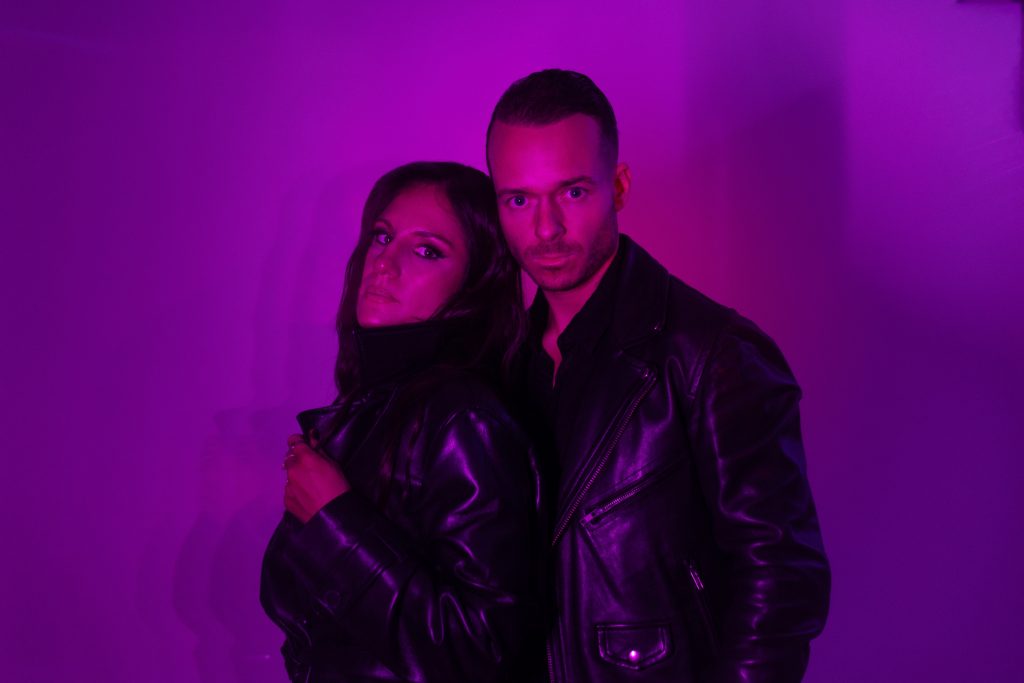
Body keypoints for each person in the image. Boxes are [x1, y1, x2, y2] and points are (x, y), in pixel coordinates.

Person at [487, 69, 830, 682]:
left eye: (572, 193)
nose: (545, 229)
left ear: (618, 186)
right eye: (519, 200)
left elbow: (781, 580)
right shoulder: (500, 360)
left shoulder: (713, 353)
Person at [260, 161, 544, 682]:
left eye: (427, 250)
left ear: (476, 282)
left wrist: (334, 519)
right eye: (383, 237)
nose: (385, 264)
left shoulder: (465, 418)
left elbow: (482, 649)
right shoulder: (379, 404)